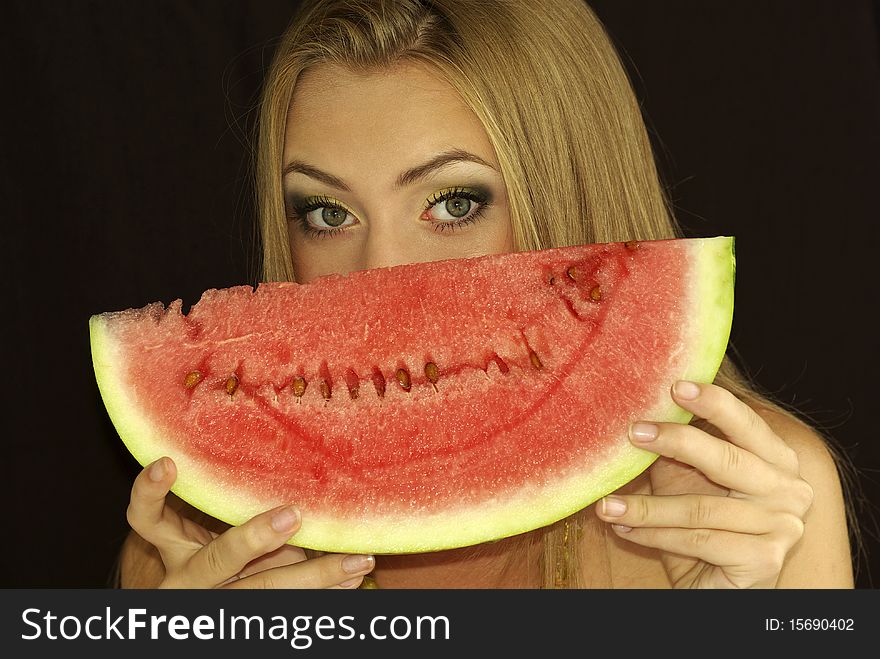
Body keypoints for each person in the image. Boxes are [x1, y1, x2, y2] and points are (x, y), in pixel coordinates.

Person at [117, 0, 856, 589]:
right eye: (328, 213)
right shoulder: (199, 548)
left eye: (455, 203)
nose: (382, 279)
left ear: (570, 200)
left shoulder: (760, 507)